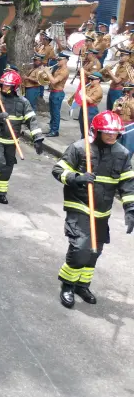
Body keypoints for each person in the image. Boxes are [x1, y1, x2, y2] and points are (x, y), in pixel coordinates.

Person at [52, 111, 134, 308]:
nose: (111, 136)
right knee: (81, 247)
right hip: (79, 205)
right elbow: (58, 170)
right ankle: (68, 284)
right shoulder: (80, 148)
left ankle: (82, 284)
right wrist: (77, 178)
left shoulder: (122, 154)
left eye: (114, 133)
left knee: (94, 250)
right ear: (96, 131)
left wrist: (130, 208)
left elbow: (128, 184)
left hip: (102, 211)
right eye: (106, 132)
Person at [0, 70, 44, 204]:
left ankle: (1, 192)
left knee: (8, 166)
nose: (4, 87)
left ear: (14, 87)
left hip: (11, 140)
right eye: (3, 85)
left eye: (7, 85)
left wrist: (37, 138)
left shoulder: (23, 102)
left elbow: (31, 120)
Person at [46, 52, 71, 137]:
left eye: (60, 59)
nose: (58, 61)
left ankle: (55, 131)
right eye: (58, 59)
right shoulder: (58, 68)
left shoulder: (64, 71)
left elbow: (54, 81)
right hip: (53, 91)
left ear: (66, 60)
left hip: (58, 93)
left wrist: (47, 72)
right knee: (52, 112)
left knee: (56, 113)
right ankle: (51, 128)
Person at [77, 72, 104, 138]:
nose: (90, 81)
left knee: (88, 127)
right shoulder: (89, 86)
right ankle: (83, 139)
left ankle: (88, 142)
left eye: (92, 79)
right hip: (84, 107)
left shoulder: (98, 90)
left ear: (98, 80)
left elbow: (91, 100)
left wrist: (82, 94)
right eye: (90, 79)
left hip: (91, 109)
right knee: (82, 125)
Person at [112, 84, 134, 159]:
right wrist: (120, 105)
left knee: (128, 147)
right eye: (125, 91)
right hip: (119, 125)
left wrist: (131, 107)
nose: (127, 93)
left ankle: (126, 163)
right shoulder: (118, 100)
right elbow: (114, 114)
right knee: (117, 146)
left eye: (129, 91)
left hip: (130, 127)